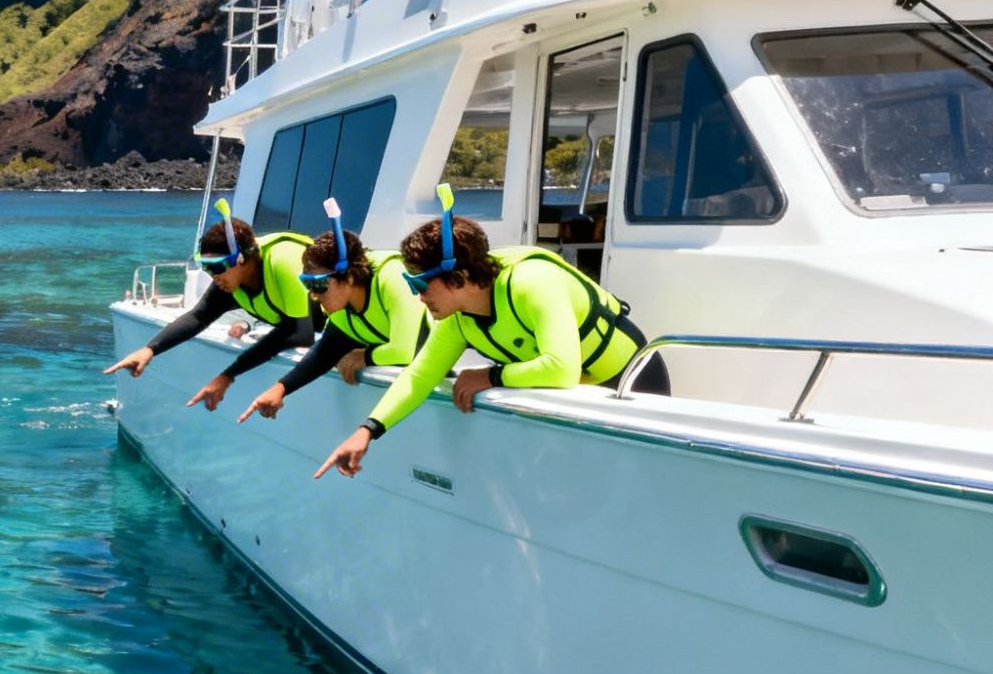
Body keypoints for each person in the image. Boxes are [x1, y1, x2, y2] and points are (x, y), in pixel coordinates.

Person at [316, 184, 670, 478]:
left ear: (461, 277)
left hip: (631, 382)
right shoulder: (459, 317)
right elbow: (418, 376)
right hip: (583, 396)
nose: (417, 295)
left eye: (421, 283)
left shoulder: (532, 283)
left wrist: (490, 375)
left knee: (642, 485)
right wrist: (367, 431)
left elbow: (561, 369)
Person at [102, 211, 318, 412]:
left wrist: (227, 375)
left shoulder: (283, 263)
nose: (213, 276)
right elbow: (199, 317)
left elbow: (300, 333)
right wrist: (149, 350)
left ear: (241, 259)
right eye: (206, 268)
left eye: (216, 267)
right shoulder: (232, 279)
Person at [236, 200, 430, 423]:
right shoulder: (339, 306)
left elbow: (404, 351)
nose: (313, 295)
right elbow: (325, 352)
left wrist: (363, 356)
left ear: (347, 277)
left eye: (318, 285)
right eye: (307, 285)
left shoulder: (392, 279)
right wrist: (280, 389)